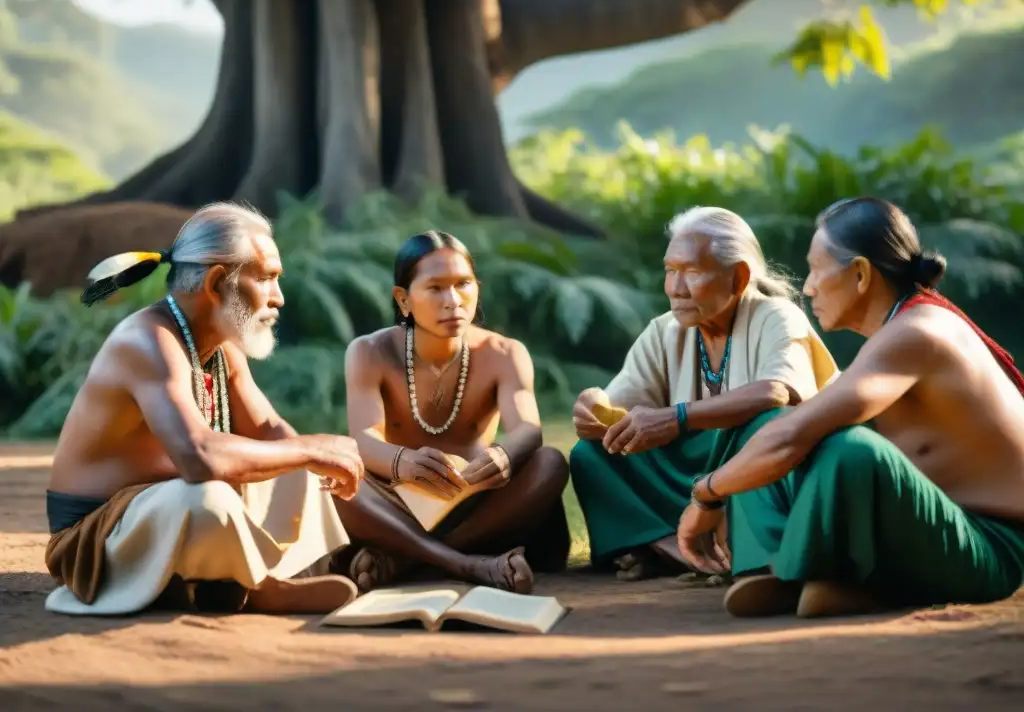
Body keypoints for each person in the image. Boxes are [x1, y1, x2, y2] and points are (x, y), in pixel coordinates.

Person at [677, 196, 1024, 618]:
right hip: (930, 530)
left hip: (992, 550)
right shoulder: (896, 331)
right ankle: (786, 570)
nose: (806, 287)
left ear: (859, 274)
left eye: (816, 270)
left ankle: (820, 575)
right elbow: (787, 427)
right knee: (762, 424)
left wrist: (705, 496)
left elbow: (795, 436)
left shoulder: (919, 332)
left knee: (850, 449)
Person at [44, 202, 366, 616]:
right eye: (266, 278)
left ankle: (223, 578)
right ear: (217, 283)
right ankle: (255, 584)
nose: (278, 298)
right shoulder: (147, 342)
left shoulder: (219, 346)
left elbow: (270, 429)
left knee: (302, 467)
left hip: (165, 513)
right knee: (208, 498)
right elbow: (199, 457)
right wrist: (312, 449)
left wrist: (325, 460)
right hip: (96, 540)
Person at [570, 207, 839, 580]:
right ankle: (673, 547)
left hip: (749, 477)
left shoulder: (775, 315)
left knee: (769, 423)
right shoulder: (664, 331)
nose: (675, 289)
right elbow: (617, 407)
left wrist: (679, 417)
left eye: (693, 273)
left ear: (739, 277)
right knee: (593, 453)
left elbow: (778, 391)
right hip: (693, 483)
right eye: (670, 271)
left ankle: (739, 551)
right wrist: (593, 408)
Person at [334, 230, 570, 594]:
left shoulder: (505, 353)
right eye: (436, 288)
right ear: (403, 300)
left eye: (463, 285)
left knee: (550, 462)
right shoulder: (369, 352)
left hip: (478, 503)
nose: (453, 300)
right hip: (397, 501)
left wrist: (505, 455)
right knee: (335, 480)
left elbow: (528, 428)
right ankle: (466, 563)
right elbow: (364, 438)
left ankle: (407, 560)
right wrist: (406, 463)